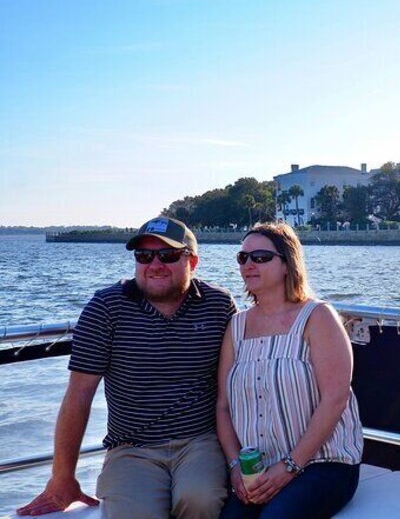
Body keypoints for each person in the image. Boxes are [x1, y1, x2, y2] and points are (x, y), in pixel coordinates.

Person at [17, 217, 237, 518]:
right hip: (131, 448)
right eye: (144, 256)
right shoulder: (106, 308)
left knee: (201, 500)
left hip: (200, 441)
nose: (154, 264)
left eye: (168, 255)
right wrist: (62, 477)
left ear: (192, 261)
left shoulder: (218, 305)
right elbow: (79, 394)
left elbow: (241, 382)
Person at [217, 222, 363, 519]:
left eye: (260, 257)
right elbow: (222, 406)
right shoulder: (237, 326)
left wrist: (289, 467)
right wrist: (235, 467)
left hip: (322, 464)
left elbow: (335, 398)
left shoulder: (317, 317)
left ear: (287, 263)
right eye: (242, 258)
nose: (248, 265)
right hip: (257, 470)